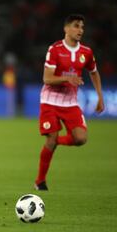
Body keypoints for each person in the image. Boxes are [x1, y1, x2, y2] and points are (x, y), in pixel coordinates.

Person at [34, 14, 105, 191]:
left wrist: (100, 96)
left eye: (82, 27)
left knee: (81, 139)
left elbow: (94, 72)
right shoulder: (55, 49)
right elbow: (47, 78)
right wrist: (67, 78)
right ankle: (40, 182)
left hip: (71, 103)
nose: (80, 30)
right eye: (76, 26)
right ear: (66, 29)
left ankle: (57, 141)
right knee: (50, 138)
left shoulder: (86, 52)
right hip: (50, 101)